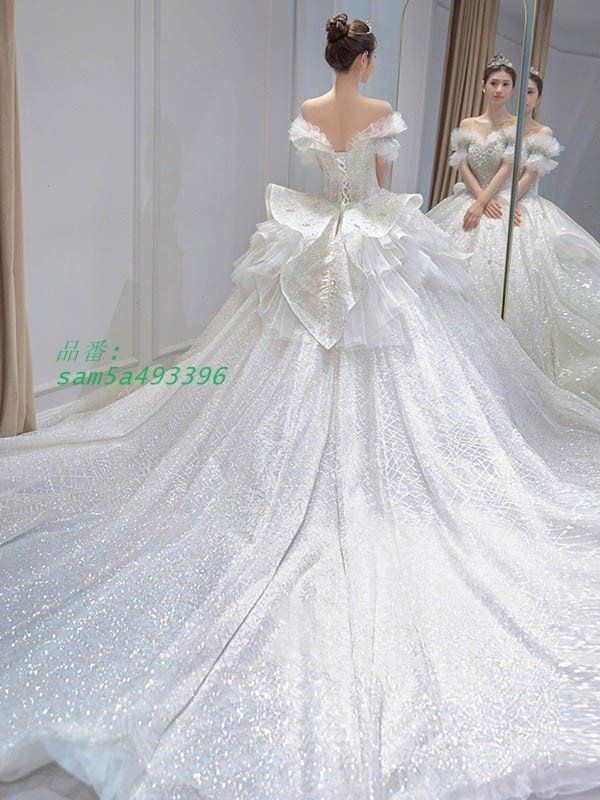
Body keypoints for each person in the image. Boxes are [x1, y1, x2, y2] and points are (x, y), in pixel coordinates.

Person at [0, 14, 599, 800]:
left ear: (333, 58)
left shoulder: (313, 112)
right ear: (368, 59)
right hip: (365, 235)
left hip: (317, 235)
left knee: (283, 349)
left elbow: (330, 184)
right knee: (392, 344)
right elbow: (376, 185)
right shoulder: (380, 114)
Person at [427, 60, 600, 408]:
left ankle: (504, 367)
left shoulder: (530, 130)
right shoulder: (470, 125)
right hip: (473, 200)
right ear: (484, 86)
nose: (502, 90)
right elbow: (463, 166)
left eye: (511, 86)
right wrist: (480, 200)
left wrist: (499, 203)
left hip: (513, 207)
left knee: (522, 282)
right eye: (495, 83)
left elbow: (523, 173)